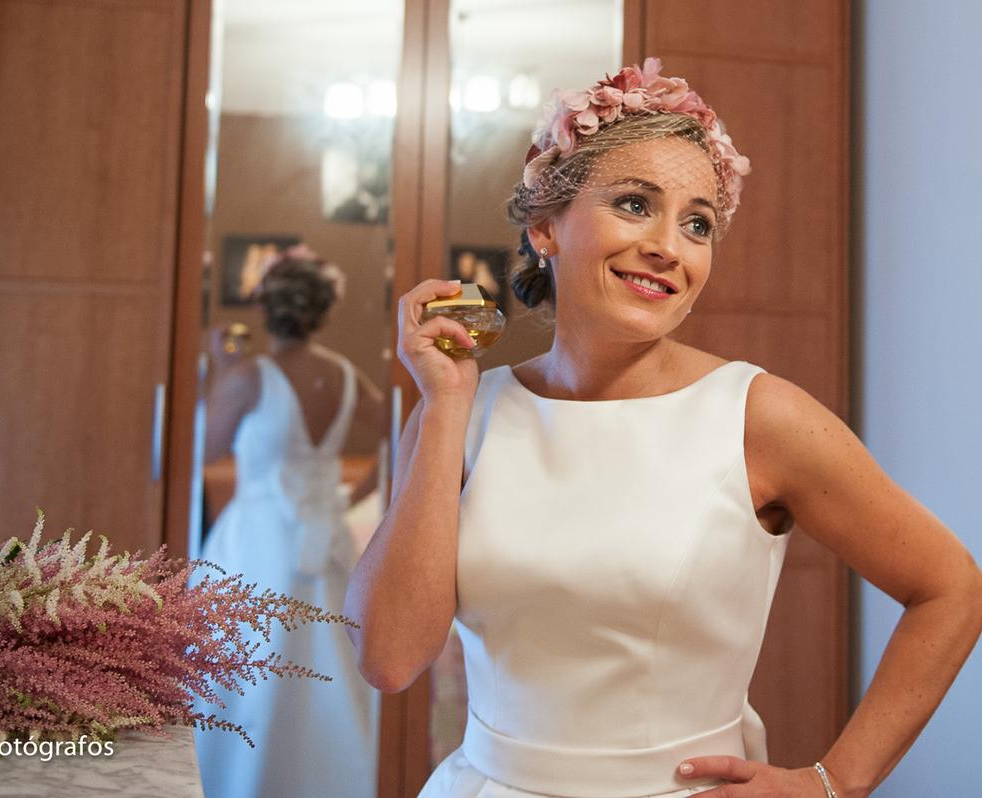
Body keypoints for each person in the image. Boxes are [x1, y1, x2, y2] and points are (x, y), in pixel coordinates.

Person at [345, 58, 982, 798]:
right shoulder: (461, 412)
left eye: (698, 224)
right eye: (634, 203)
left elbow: (950, 588)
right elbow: (389, 660)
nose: (669, 247)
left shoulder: (758, 417)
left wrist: (834, 782)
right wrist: (448, 405)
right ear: (547, 226)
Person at [195, 245, 385, 797]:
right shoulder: (347, 377)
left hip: (256, 543)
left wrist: (219, 367)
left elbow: (204, 448)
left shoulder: (250, 375)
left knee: (251, 669)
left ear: (266, 308)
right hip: (325, 544)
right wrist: (349, 498)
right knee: (328, 673)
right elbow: (399, 438)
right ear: (322, 311)